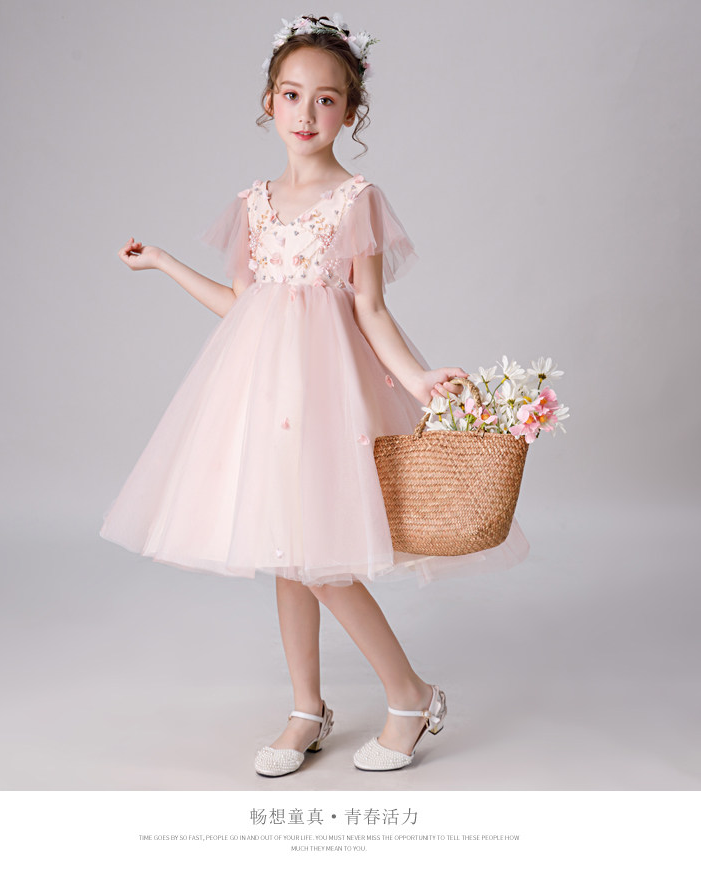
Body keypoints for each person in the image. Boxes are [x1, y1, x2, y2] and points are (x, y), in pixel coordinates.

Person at [100, 14, 528, 776]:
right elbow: (244, 306)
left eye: (327, 99)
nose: (307, 113)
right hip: (263, 395)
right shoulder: (254, 202)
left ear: (350, 112)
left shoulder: (356, 198)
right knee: (285, 551)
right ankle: (307, 708)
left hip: (329, 396)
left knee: (321, 555)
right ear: (269, 102)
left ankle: (410, 694)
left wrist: (418, 378)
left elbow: (371, 309)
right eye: (293, 95)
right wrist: (164, 262)